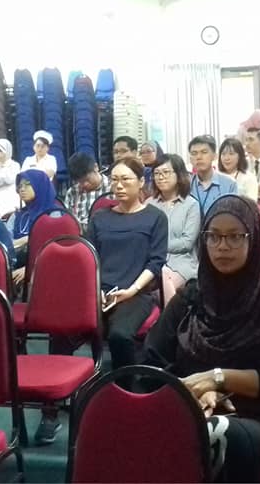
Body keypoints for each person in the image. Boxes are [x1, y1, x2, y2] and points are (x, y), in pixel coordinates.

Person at [144, 195, 260, 483]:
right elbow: (152, 359)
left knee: (217, 434)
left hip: (254, 415)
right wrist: (194, 392)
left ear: (254, 240)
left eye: (235, 236)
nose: (223, 246)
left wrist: (218, 379)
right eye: (214, 236)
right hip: (188, 405)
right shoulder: (191, 298)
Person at [87, 158, 168, 370]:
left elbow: (156, 262)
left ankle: (124, 385)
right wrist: (96, 290)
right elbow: (89, 259)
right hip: (100, 292)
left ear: (141, 182)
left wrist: (132, 290)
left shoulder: (155, 217)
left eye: (125, 179)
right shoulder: (99, 218)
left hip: (136, 293)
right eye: (114, 180)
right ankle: (70, 384)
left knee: (120, 335)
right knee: (65, 326)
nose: (119, 186)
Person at [146, 155, 200, 305]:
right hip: (152, 260)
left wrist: (158, 246)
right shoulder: (149, 204)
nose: (161, 177)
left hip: (182, 261)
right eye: (157, 173)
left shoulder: (191, 205)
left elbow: (187, 243)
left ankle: (169, 317)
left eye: (166, 172)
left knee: (165, 276)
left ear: (179, 174)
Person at [8, 169, 57, 284]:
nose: (22, 189)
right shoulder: (17, 216)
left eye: (27, 184)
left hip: (45, 270)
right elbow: (5, 244)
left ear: (40, 185)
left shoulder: (55, 215)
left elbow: (54, 251)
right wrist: (25, 240)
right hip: (14, 267)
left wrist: (29, 268)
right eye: (20, 186)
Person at [188, 135, 237, 217]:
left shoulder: (229, 184)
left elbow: (233, 216)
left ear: (214, 156)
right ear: (190, 159)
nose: (199, 157)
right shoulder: (187, 185)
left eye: (204, 152)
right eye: (194, 153)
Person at [65, 152, 111, 233]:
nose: (85, 184)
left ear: (96, 167)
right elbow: (68, 220)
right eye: (80, 182)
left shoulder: (111, 188)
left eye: (87, 179)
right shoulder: (72, 192)